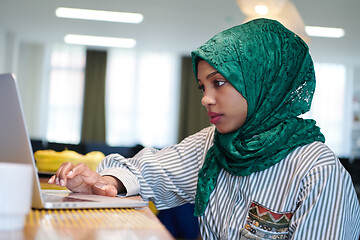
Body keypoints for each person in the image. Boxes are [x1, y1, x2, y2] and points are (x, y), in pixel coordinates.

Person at [49, 18, 360, 239]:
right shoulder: (216, 143)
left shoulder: (319, 173)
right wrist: (103, 183)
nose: (206, 99)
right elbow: (151, 172)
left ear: (262, 82)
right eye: (202, 87)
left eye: (219, 83)